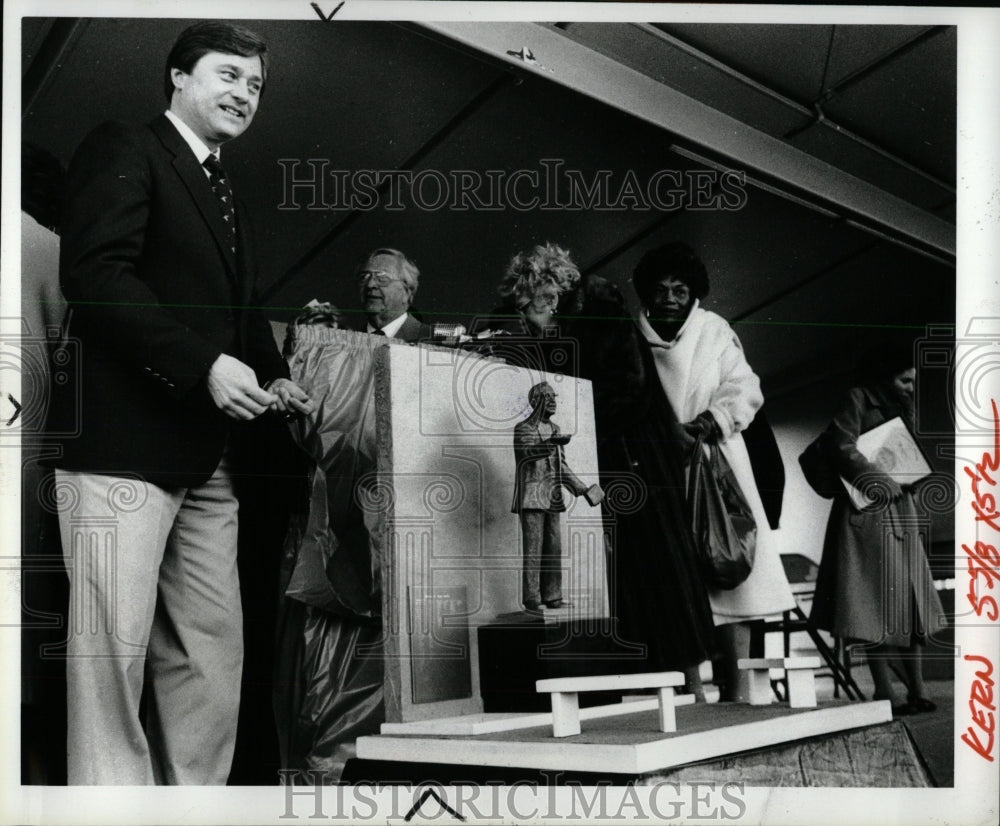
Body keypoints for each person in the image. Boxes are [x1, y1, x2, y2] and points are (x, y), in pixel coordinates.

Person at [45, 21, 313, 785]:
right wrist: (205, 368)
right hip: (121, 451)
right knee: (111, 662)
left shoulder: (226, 188)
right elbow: (96, 278)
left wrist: (272, 371)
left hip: (205, 460)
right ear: (178, 78)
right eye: (229, 75)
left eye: (256, 85)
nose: (245, 94)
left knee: (210, 656)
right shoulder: (124, 146)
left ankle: (191, 806)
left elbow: (241, 311)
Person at [633, 242, 795, 702]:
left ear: (692, 293)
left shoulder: (714, 330)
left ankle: (741, 690)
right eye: (661, 289)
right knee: (678, 585)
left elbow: (744, 387)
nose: (669, 298)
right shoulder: (631, 336)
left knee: (734, 576)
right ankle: (692, 691)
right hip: (661, 469)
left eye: (679, 289)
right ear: (647, 291)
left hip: (717, 460)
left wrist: (708, 423)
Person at [810, 345, 947, 715]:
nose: (910, 387)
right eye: (904, 380)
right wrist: (876, 477)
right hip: (868, 514)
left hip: (900, 511)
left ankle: (917, 691)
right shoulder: (857, 398)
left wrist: (911, 476)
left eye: (913, 382)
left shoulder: (899, 405)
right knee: (876, 607)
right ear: (885, 376)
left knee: (910, 605)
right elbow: (841, 444)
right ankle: (884, 692)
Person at [511, 381, 603, 611]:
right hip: (531, 496)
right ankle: (532, 598)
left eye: (554, 396)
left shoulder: (554, 429)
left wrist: (583, 490)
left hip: (552, 496)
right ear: (535, 401)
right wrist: (550, 443)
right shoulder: (523, 428)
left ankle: (553, 596)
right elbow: (527, 453)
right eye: (547, 396)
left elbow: (562, 466)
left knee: (554, 547)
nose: (553, 400)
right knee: (534, 550)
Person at [355, 248, 431, 341]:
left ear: (406, 292)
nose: (370, 284)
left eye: (382, 278)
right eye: (364, 277)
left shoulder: (432, 341)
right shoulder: (344, 341)